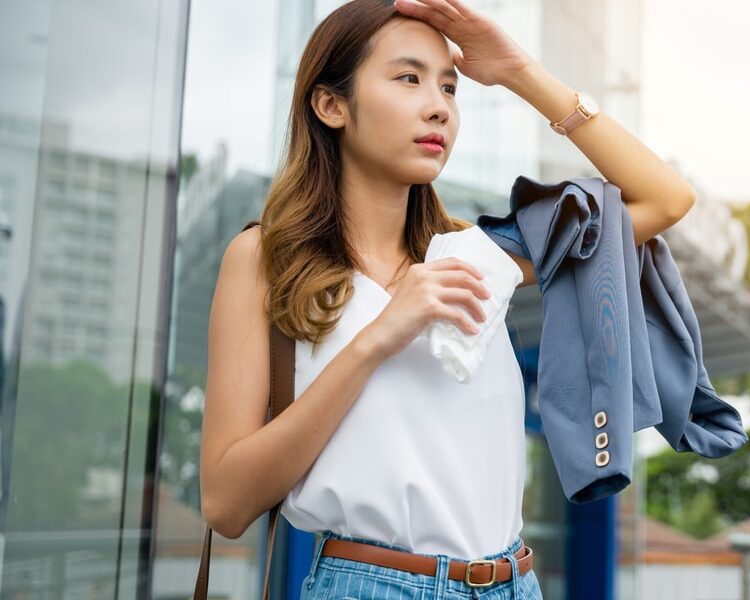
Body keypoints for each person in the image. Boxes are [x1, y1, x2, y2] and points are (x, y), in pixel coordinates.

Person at [198, 0, 697, 598]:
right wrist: (378, 337)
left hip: (514, 582)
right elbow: (225, 503)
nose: (439, 105)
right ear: (332, 105)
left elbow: (664, 199)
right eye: (408, 79)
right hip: (372, 586)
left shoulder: (478, 256)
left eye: (450, 88)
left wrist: (518, 71)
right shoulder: (263, 259)